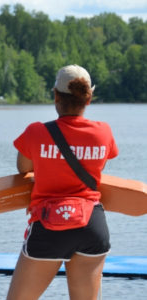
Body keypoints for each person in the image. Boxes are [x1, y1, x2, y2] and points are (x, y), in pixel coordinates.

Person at [7, 65, 119, 300]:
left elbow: (23, 168)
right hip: (92, 226)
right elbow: (98, 167)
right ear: (88, 99)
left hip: (49, 226)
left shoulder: (36, 132)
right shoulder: (103, 132)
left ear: (56, 96)